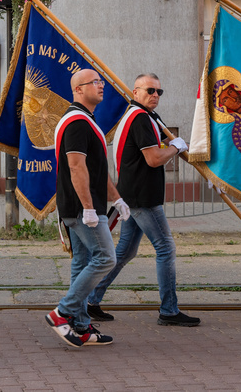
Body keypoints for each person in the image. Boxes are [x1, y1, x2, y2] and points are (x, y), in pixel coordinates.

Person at [85, 73, 199, 327]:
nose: (155, 95)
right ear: (135, 92)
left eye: (159, 92)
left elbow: (164, 146)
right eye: (149, 90)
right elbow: (154, 159)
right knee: (166, 248)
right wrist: (176, 148)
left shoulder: (146, 116)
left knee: (124, 252)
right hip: (142, 198)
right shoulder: (140, 119)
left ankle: (90, 300)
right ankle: (169, 310)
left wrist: (181, 150)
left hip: (134, 194)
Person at [45, 69, 128, 347]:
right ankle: (63, 312)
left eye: (101, 81)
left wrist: (116, 198)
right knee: (106, 258)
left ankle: (80, 327)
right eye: (95, 82)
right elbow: (76, 166)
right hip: (82, 209)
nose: (101, 86)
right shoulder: (77, 122)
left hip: (80, 206)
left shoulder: (87, 120)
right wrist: (90, 208)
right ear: (78, 90)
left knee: (82, 263)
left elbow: (96, 170)